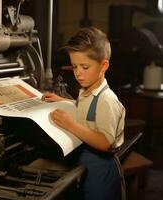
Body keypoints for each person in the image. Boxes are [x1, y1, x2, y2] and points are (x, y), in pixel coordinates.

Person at [42, 27, 126, 200]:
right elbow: (86, 109)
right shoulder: (87, 91)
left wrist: (70, 124)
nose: (78, 73)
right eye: (74, 66)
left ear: (103, 65)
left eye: (84, 67)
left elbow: (105, 143)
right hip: (87, 165)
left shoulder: (106, 100)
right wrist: (62, 100)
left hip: (101, 170)